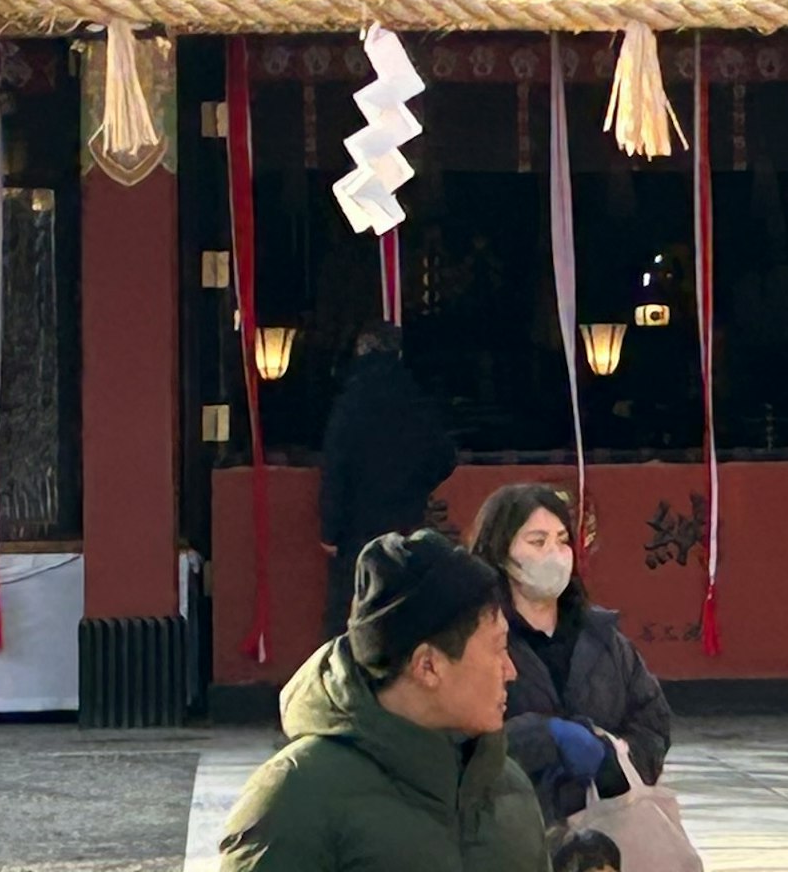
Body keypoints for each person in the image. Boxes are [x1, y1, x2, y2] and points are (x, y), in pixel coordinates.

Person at [216, 531, 552, 872]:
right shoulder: (297, 798)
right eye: (497, 649)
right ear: (428, 666)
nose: (511, 671)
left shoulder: (506, 786)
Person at [466, 482, 670, 826]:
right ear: (500, 553)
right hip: (508, 830)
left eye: (562, 540)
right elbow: (456, 740)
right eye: (537, 541)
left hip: (606, 828)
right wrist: (541, 739)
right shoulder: (474, 639)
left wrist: (613, 760)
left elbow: (653, 722)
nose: (555, 553)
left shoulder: (603, 637)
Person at [316, 321, 457, 634]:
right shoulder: (416, 400)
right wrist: (418, 485)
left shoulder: (350, 403)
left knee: (351, 609)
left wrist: (329, 530)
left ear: (362, 350)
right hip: (407, 519)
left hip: (357, 525)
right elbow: (445, 455)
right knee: (404, 606)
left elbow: (336, 468)